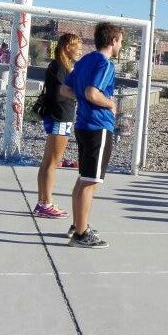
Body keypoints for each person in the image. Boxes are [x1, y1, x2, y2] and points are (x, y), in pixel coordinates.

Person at [60, 22, 124, 249]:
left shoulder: (85, 60)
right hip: (98, 126)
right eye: (120, 41)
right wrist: (110, 104)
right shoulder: (105, 64)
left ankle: (78, 224)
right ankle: (81, 233)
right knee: (90, 181)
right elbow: (91, 92)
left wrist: (83, 99)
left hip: (83, 125)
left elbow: (65, 89)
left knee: (84, 178)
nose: (120, 45)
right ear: (113, 40)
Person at [33, 33, 82, 219]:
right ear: (67, 47)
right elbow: (58, 94)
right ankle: (45, 203)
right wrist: (81, 94)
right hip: (60, 117)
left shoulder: (61, 66)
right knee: (51, 163)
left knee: (49, 162)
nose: (80, 50)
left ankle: (42, 202)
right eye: (77, 46)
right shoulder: (60, 66)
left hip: (60, 117)